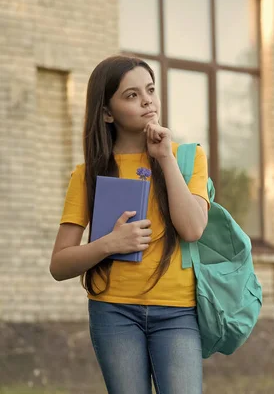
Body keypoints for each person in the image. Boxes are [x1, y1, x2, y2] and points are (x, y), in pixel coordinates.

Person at [49, 55, 209, 394]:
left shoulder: (187, 157)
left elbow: (193, 229)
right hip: (113, 312)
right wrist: (109, 243)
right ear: (107, 112)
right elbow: (60, 264)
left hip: (178, 312)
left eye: (150, 90)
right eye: (132, 95)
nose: (148, 100)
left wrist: (164, 157)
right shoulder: (87, 174)